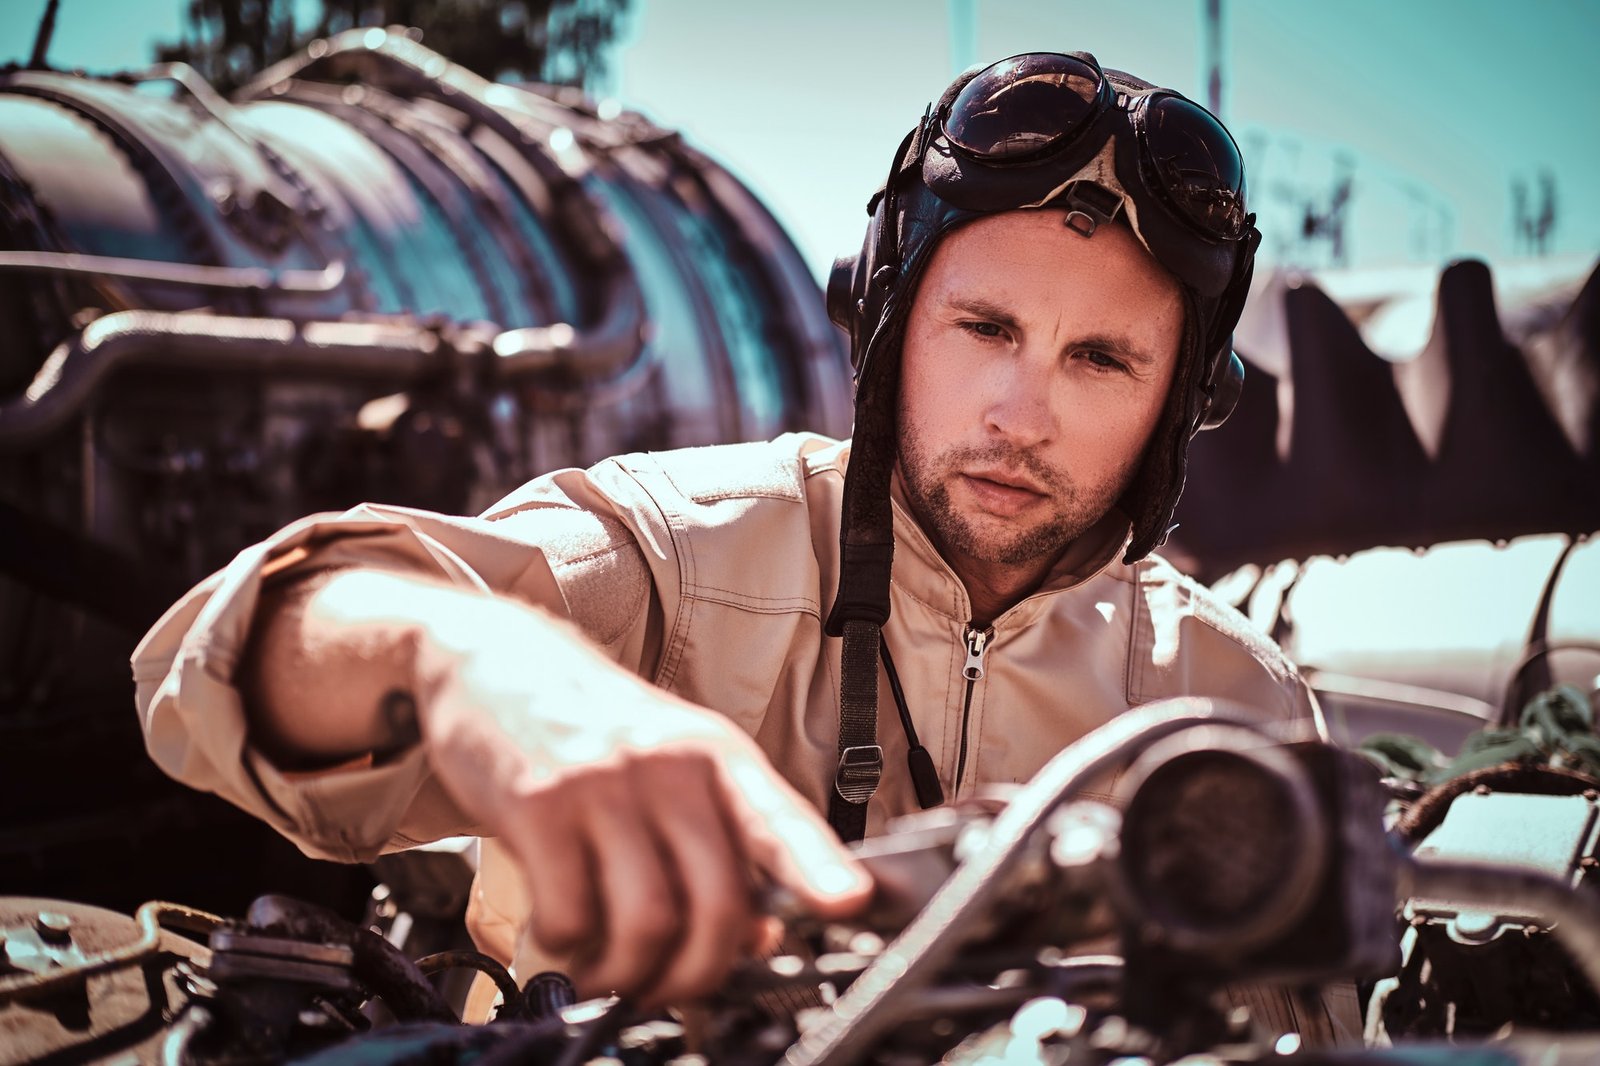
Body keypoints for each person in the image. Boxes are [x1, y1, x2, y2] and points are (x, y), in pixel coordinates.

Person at [132, 50, 1336, 1028]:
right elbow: (230, 647)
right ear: (887, 316)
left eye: (1100, 359)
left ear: (1180, 402)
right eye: (983, 327)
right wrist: (476, 671)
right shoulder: (684, 554)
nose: (1019, 418)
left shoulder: (1233, 700)